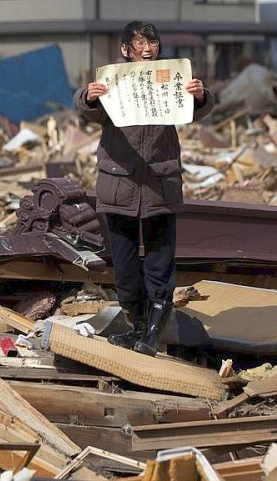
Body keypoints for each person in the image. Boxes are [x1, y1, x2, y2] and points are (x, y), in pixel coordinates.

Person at [73, 20, 215, 356]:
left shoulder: (171, 76)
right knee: (124, 267)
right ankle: (137, 325)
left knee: (158, 266)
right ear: (125, 50)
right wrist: (88, 96)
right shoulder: (114, 82)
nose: (148, 50)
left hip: (159, 185)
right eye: (140, 44)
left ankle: (152, 335)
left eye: (152, 44)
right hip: (118, 184)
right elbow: (85, 108)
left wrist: (200, 95)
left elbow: (197, 111)